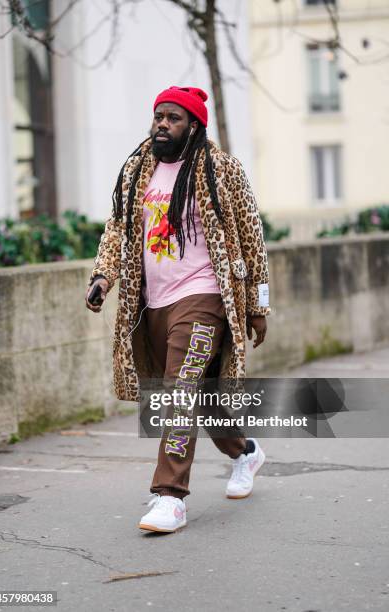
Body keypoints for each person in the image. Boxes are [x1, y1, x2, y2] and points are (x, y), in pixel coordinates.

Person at [85, 86, 270, 533]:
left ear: (194, 124)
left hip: (205, 295)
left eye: (173, 117)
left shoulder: (220, 169)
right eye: (158, 116)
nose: (162, 124)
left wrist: (259, 304)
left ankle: (169, 497)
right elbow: (118, 227)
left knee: (178, 392)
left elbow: (252, 235)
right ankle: (245, 452)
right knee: (196, 399)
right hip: (152, 301)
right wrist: (103, 276)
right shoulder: (137, 169)